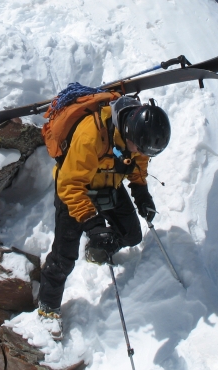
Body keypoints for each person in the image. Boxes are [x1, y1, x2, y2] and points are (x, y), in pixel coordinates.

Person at [37, 96, 171, 340]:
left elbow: (138, 163)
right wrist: (94, 225)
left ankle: (97, 251)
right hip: (75, 190)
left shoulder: (138, 137)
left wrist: (141, 192)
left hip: (109, 184)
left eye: (145, 151)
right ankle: (48, 307)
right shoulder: (92, 135)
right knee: (64, 256)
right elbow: (69, 185)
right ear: (129, 134)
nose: (141, 153)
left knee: (131, 234)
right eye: (139, 148)